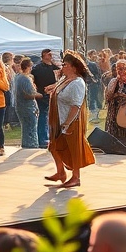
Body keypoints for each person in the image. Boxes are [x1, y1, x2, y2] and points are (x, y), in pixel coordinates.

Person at [45, 51, 94, 189]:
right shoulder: (65, 79)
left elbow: (76, 105)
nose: (63, 67)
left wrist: (67, 123)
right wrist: (52, 88)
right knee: (53, 146)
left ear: (74, 67)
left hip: (71, 121)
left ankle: (76, 177)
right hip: (59, 120)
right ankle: (60, 172)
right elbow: (60, 90)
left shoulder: (78, 83)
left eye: (65, 65)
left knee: (74, 150)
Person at [32, 49, 60, 148]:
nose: (51, 55)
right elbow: (32, 78)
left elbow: (60, 77)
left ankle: (50, 137)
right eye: (49, 54)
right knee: (42, 117)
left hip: (53, 94)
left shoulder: (54, 66)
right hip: (42, 94)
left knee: (51, 117)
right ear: (44, 55)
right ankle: (42, 139)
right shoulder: (37, 68)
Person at [13, 57, 42, 149]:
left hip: (21, 106)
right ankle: (32, 145)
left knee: (26, 127)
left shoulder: (17, 77)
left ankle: (26, 144)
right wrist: (40, 95)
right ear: (28, 67)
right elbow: (28, 94)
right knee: (31, 128)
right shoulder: (25, 79)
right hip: (28, 107)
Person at [86, 50, 103, 123]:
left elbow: (98, 74)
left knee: (94, 97)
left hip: (94, 84)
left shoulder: (92, 64)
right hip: (87, 84)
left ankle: (96, 111)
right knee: (90, 99)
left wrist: (95, 80)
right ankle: (93, 112)